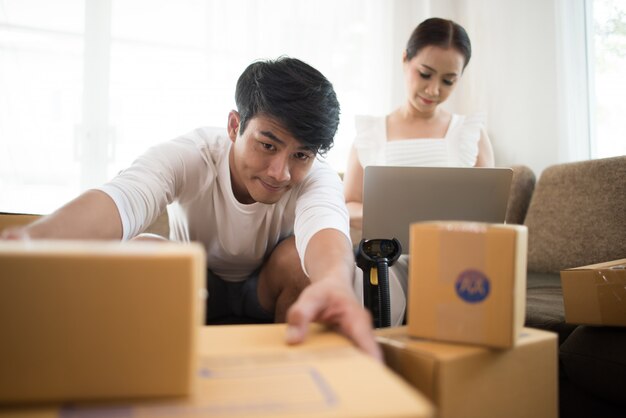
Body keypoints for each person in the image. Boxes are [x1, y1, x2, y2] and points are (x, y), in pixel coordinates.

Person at [1, 57, 381, 360]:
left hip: (270, 288)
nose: (280, 172)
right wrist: (31, 244)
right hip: (195, 284)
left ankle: (292, 373)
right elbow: (123, 199)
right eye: (268, 145)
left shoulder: (315, 176)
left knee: (299, 261)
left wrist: (334, 283)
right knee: (144, 250)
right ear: (235, 126)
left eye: (300, 154)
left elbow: (327, 227)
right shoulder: (191, 155)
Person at [343, 18, 495, 326]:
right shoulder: (370, 133)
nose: (434, 89)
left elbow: (490, 215)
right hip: (389, 259)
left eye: (449, 80)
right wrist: (391, 216)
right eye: (425, 73)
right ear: (405, 59)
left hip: (456, 260)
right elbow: (348, 205)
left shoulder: (471, 133)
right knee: (377, 295)